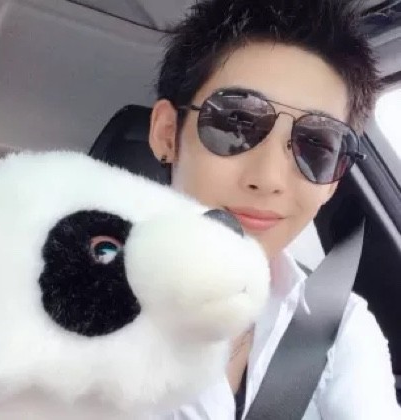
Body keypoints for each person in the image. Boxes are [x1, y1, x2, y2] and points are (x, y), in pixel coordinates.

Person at [148, 0, 401, 418]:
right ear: (166, 133)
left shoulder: (339, 329)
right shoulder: (57, 300)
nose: (269, 179)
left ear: (333, 181)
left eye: (316, 144)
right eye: (235, 123)